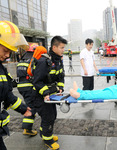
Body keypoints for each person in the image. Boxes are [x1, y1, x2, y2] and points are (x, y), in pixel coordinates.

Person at [0, 20, 32, 150]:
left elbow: (7, 95)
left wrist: (23, 109)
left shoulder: (1, 69)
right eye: (5, 50)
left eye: (10, 52)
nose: (8, 55)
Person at [32, 36, 67, 150]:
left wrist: (60, 88)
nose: (63, 50)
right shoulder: (44, 61)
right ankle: (48, 140)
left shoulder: (58, 60)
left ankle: (45, 134)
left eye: (64, 48)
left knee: (52, 116)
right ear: (54, 47)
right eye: (61, 48)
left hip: (52, 95)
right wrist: (45, 93)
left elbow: (61, 76)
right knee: (48, 117)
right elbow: (37, 81)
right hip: (41, 96)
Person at [17, 43, 38, 136]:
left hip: (21, 86)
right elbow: (34, 74)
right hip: (28, 85)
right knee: (32, 106)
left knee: (29, 104)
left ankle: (27, 127)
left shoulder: (22, 60)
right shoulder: (32, 60)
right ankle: (27, 129)